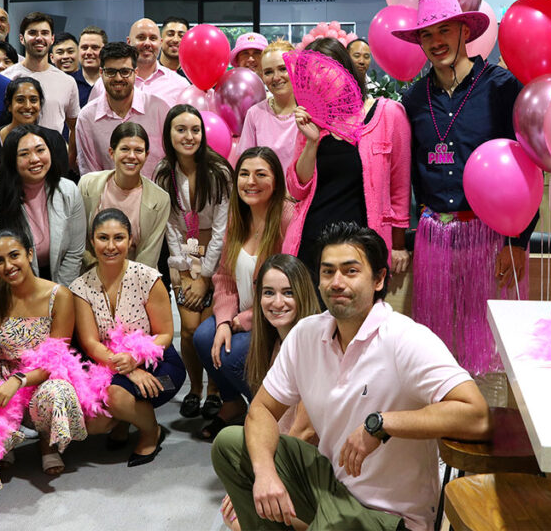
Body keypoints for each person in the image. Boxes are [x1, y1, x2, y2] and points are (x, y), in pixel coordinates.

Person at [212, 222, 491, 531]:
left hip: (390, 515)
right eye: (328, 271)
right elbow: (262, 409)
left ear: (379, 278)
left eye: (351, 271)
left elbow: (476, 414)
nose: (337, 282)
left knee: (336, 525)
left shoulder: (405, 339)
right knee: (230, 445)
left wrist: (382, 424)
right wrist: (264, 474)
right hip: (330, 485)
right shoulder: (306, 334)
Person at [396, 0, 531, 387]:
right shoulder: (414, 98)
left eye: (445, 30)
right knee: (435, 344)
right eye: (427, 35)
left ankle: (490, 426)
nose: (436, 41)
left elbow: (525, 168)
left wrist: (517, 240)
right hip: (434, 234)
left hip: (490, 236)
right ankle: (441, 436)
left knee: (488, 343)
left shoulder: (502, 87)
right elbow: (412, 172)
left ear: (464, 31)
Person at [284, 38, 412, 298]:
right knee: (310, 329)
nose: (317, 78)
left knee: (357, 326)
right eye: (310, 73)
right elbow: (297, 189)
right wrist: (311, 141)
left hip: (361, 246)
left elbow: (400, 185)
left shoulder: (386, 114)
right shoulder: (312, 119)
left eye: (324, 69)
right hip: (312, 242)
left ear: (343, 68)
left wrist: (399, 244)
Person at [70, 209, 186, 467]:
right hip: (110, 364)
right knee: (96, 423)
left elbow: (165, 334)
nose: (111, 246)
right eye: (103, 238)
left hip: (160, 363)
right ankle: (123, 420)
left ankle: (150, 431)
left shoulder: (148, 278)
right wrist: (127, 368)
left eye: (118, 238)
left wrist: (136, 359)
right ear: (92, 241)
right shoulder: (80, 288)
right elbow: (90, 343)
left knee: (116, 396)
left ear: (130, 240)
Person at [192, 147, 293, 440]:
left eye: (261, 174)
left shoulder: (287, 217)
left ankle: (268, 412)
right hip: (237, 312)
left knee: (233, 354)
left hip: (274, 316)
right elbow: (223, 277)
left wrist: (242, 322)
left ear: (276, 181)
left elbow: (288, 286)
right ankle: (232, 402)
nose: (251, 181)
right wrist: (224, 321)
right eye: (245, 174)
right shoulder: (238, 218)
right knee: (203, 337)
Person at [0, 229, 88, 479]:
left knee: (59, 392)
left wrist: (19, 381)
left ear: (29, 254)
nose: (8, 266)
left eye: (14, 255)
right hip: (3, 382)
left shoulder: (59, 296)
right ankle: (7, 439)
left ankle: (46, 442)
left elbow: (56, 359)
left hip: (42, 380)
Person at [220, 253, 319, 531]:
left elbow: (304, 435)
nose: (277, 302)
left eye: (288, 293)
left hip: (316, 468)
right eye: (268, 293)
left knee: (242, 519)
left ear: (303, 294)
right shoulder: (275, 342)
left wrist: (260, 480)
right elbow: (262, 419)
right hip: (288, 456)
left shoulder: (310, 347)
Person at [153, 104, 232, 424]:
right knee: (187, 329)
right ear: (169, 134)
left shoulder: (220, 171)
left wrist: (205, 275)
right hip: (181, 255)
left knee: (209, 328)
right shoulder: (162, 173)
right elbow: (170, 225)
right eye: (180, 130)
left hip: (218, 254)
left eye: (195, 130)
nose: (189, 136)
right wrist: (185, 272)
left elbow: (222, 230)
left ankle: (215, 390)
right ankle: (194, 389)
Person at [0, 124, 85, 291]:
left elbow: (74, 254)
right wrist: (31, 299)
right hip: (4, 285)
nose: (35, 159)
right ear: (12, 160)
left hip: (59, 284)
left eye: (40, 150)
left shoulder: (69, 191)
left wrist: (57, 295)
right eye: (24, 154)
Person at [78, 122, 170, 270]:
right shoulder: (87, 185)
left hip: (138, 280)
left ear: (146, 155)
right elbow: (78, 241)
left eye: (138, 150)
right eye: (125, 149)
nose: (132, 156)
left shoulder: (160, 200)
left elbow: (148, 257)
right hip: (90, 274)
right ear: (111, 152)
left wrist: (123, 286)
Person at [75, 42, 170, 177]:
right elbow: (90, 177)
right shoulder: (87, 117)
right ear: (101, 73)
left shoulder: (159, 109)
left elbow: (171, 161)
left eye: (125, 72)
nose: (118, 78)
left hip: (157, 196)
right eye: (111, 72)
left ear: (136, 73)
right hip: (107, 197)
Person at [2, 12, 80, 160]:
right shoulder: (6, 78)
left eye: (44, 33)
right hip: (16, 159)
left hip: (55, 159)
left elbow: (75, 126)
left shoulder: (67, 82)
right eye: (32, 33)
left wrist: (70, 155)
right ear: (22, 39)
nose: (39, 38)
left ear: (52, 39)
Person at [87, 18, 190, 107]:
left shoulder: (180, 85)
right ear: (129, 42)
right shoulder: (104, 84)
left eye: (153, 38)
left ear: (160, 43)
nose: (147, 43)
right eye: (141, 37)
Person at [233, 40, 298, 172]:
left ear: (296, 69)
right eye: (268, 72)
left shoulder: (311, 112)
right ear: (262, 76)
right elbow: (246, 164)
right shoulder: (255, 113)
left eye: (283, 69)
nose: (276, 77)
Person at [0, 76, 69, 178]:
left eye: (33, 100)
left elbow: (61, 181)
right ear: (9, 105)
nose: (27, 106)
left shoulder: (54, 139)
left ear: (40, 104)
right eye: (20, 100)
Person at [75, 26, 107, 106]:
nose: (89, 52)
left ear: (105, 51)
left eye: (95, 47)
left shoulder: (113, 82)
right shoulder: (69, 83)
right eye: (84, 48)